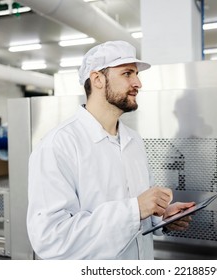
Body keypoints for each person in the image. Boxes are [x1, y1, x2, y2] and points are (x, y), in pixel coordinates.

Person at [26, 40, 195, 260]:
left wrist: (161, 218)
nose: (138, 83)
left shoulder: (133, 140)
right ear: (97, 79)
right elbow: (51, 238)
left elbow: (138, 210)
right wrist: (135, 210)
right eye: (127, 73)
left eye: (136, 74)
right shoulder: (58, 145)